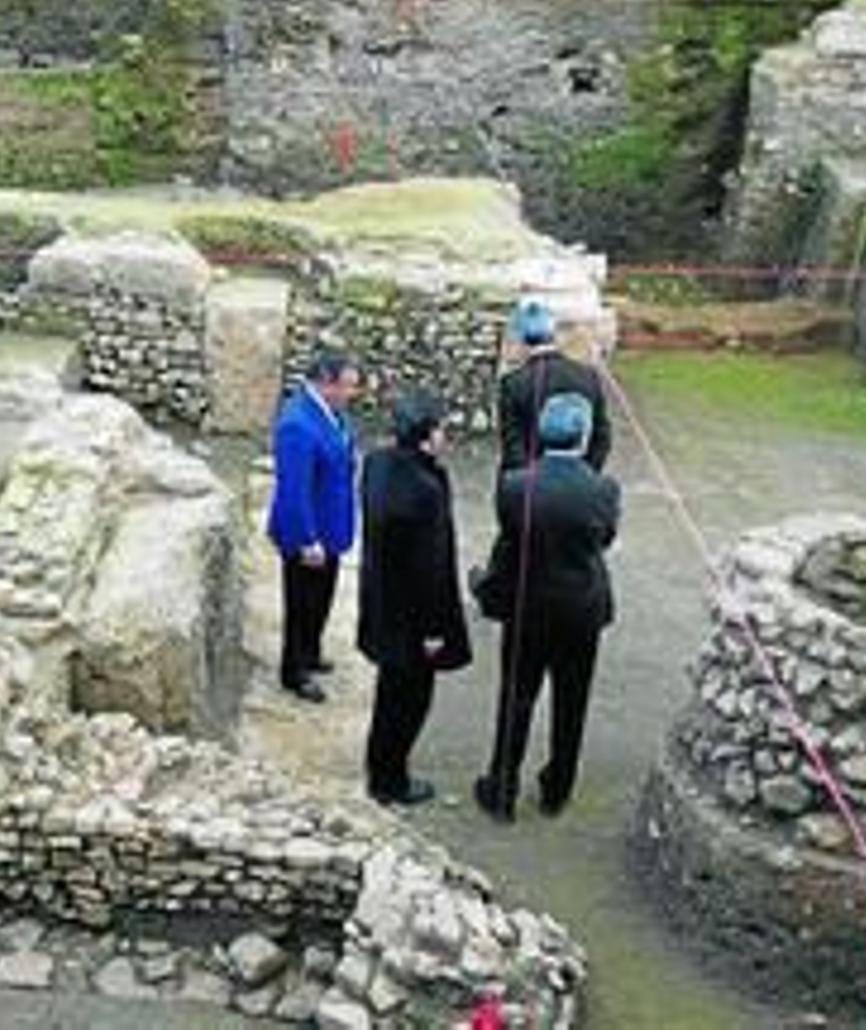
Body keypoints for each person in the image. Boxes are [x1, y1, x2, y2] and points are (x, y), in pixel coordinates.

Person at [473, 391, 620, 822]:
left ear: (540, 433)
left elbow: (511, 538)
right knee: (571, 702)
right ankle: (557, 788)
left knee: (516, 699)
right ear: (585, 435)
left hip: (528, 607)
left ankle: (501, 791)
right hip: (580, 610)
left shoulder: (515, 486)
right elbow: (604, 539)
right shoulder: (603, 490)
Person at [357, 391, 472, 806]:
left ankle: (379, 770)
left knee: (388, 696)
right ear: (426, 436)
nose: (445, 435)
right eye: (440, 428)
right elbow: (431, 568)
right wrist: (434, 629)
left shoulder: (377, 464)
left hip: (382, 604)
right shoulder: (424, 488)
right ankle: (391, 781)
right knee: (408, 703)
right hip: (412, 620)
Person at [266, 349, 362, 703]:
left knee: (321, 597)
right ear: (326, 383)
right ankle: (295, 670)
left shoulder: (329, 414)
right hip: (309, 534)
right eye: (348, 386)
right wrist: (306, 540)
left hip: (330, 528)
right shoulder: (297, 424)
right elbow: (294, 489)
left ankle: (311, 651)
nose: (354, 393)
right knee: (301, 603)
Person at [497, 296, 611, 474]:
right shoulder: (588, 376)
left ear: (521, 339)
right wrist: (587, 475)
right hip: (581, 483)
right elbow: (602, 437)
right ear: (553, 335)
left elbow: (512, 446)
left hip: (526, 487)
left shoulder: (512, 383)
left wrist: (526, 485)